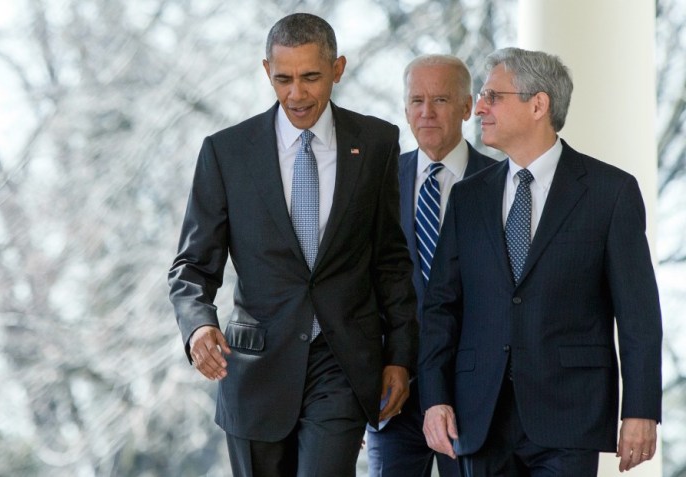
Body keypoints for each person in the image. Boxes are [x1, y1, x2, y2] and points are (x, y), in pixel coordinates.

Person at [168, 13, 418, 477]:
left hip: (341, 363)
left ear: (337, 69)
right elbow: (191, 266)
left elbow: (390, 261)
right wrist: (198, 327)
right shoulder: (227, 153)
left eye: (310, 77)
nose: (296, 94)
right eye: (283, 79)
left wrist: (400, 356)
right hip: (254, 369)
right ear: (267, 71)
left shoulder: (377, 143)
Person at [418, 47, 662, 476]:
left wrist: (640, 410)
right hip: (479, 415)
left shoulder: (611, 192)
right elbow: (441, 308)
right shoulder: (469, 197)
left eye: (493, 96)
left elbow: (638, 314)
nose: (479, 108)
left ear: (538, 104)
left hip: (570, 415)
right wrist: (435, 398)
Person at [366, 54, 494, 477]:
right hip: (394, 388)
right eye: (416, 100)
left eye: (440, 99)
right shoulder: (376, 184)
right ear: (404, 108)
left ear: (467, 106)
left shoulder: (502, 185)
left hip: (471, 392)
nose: (426, 111)